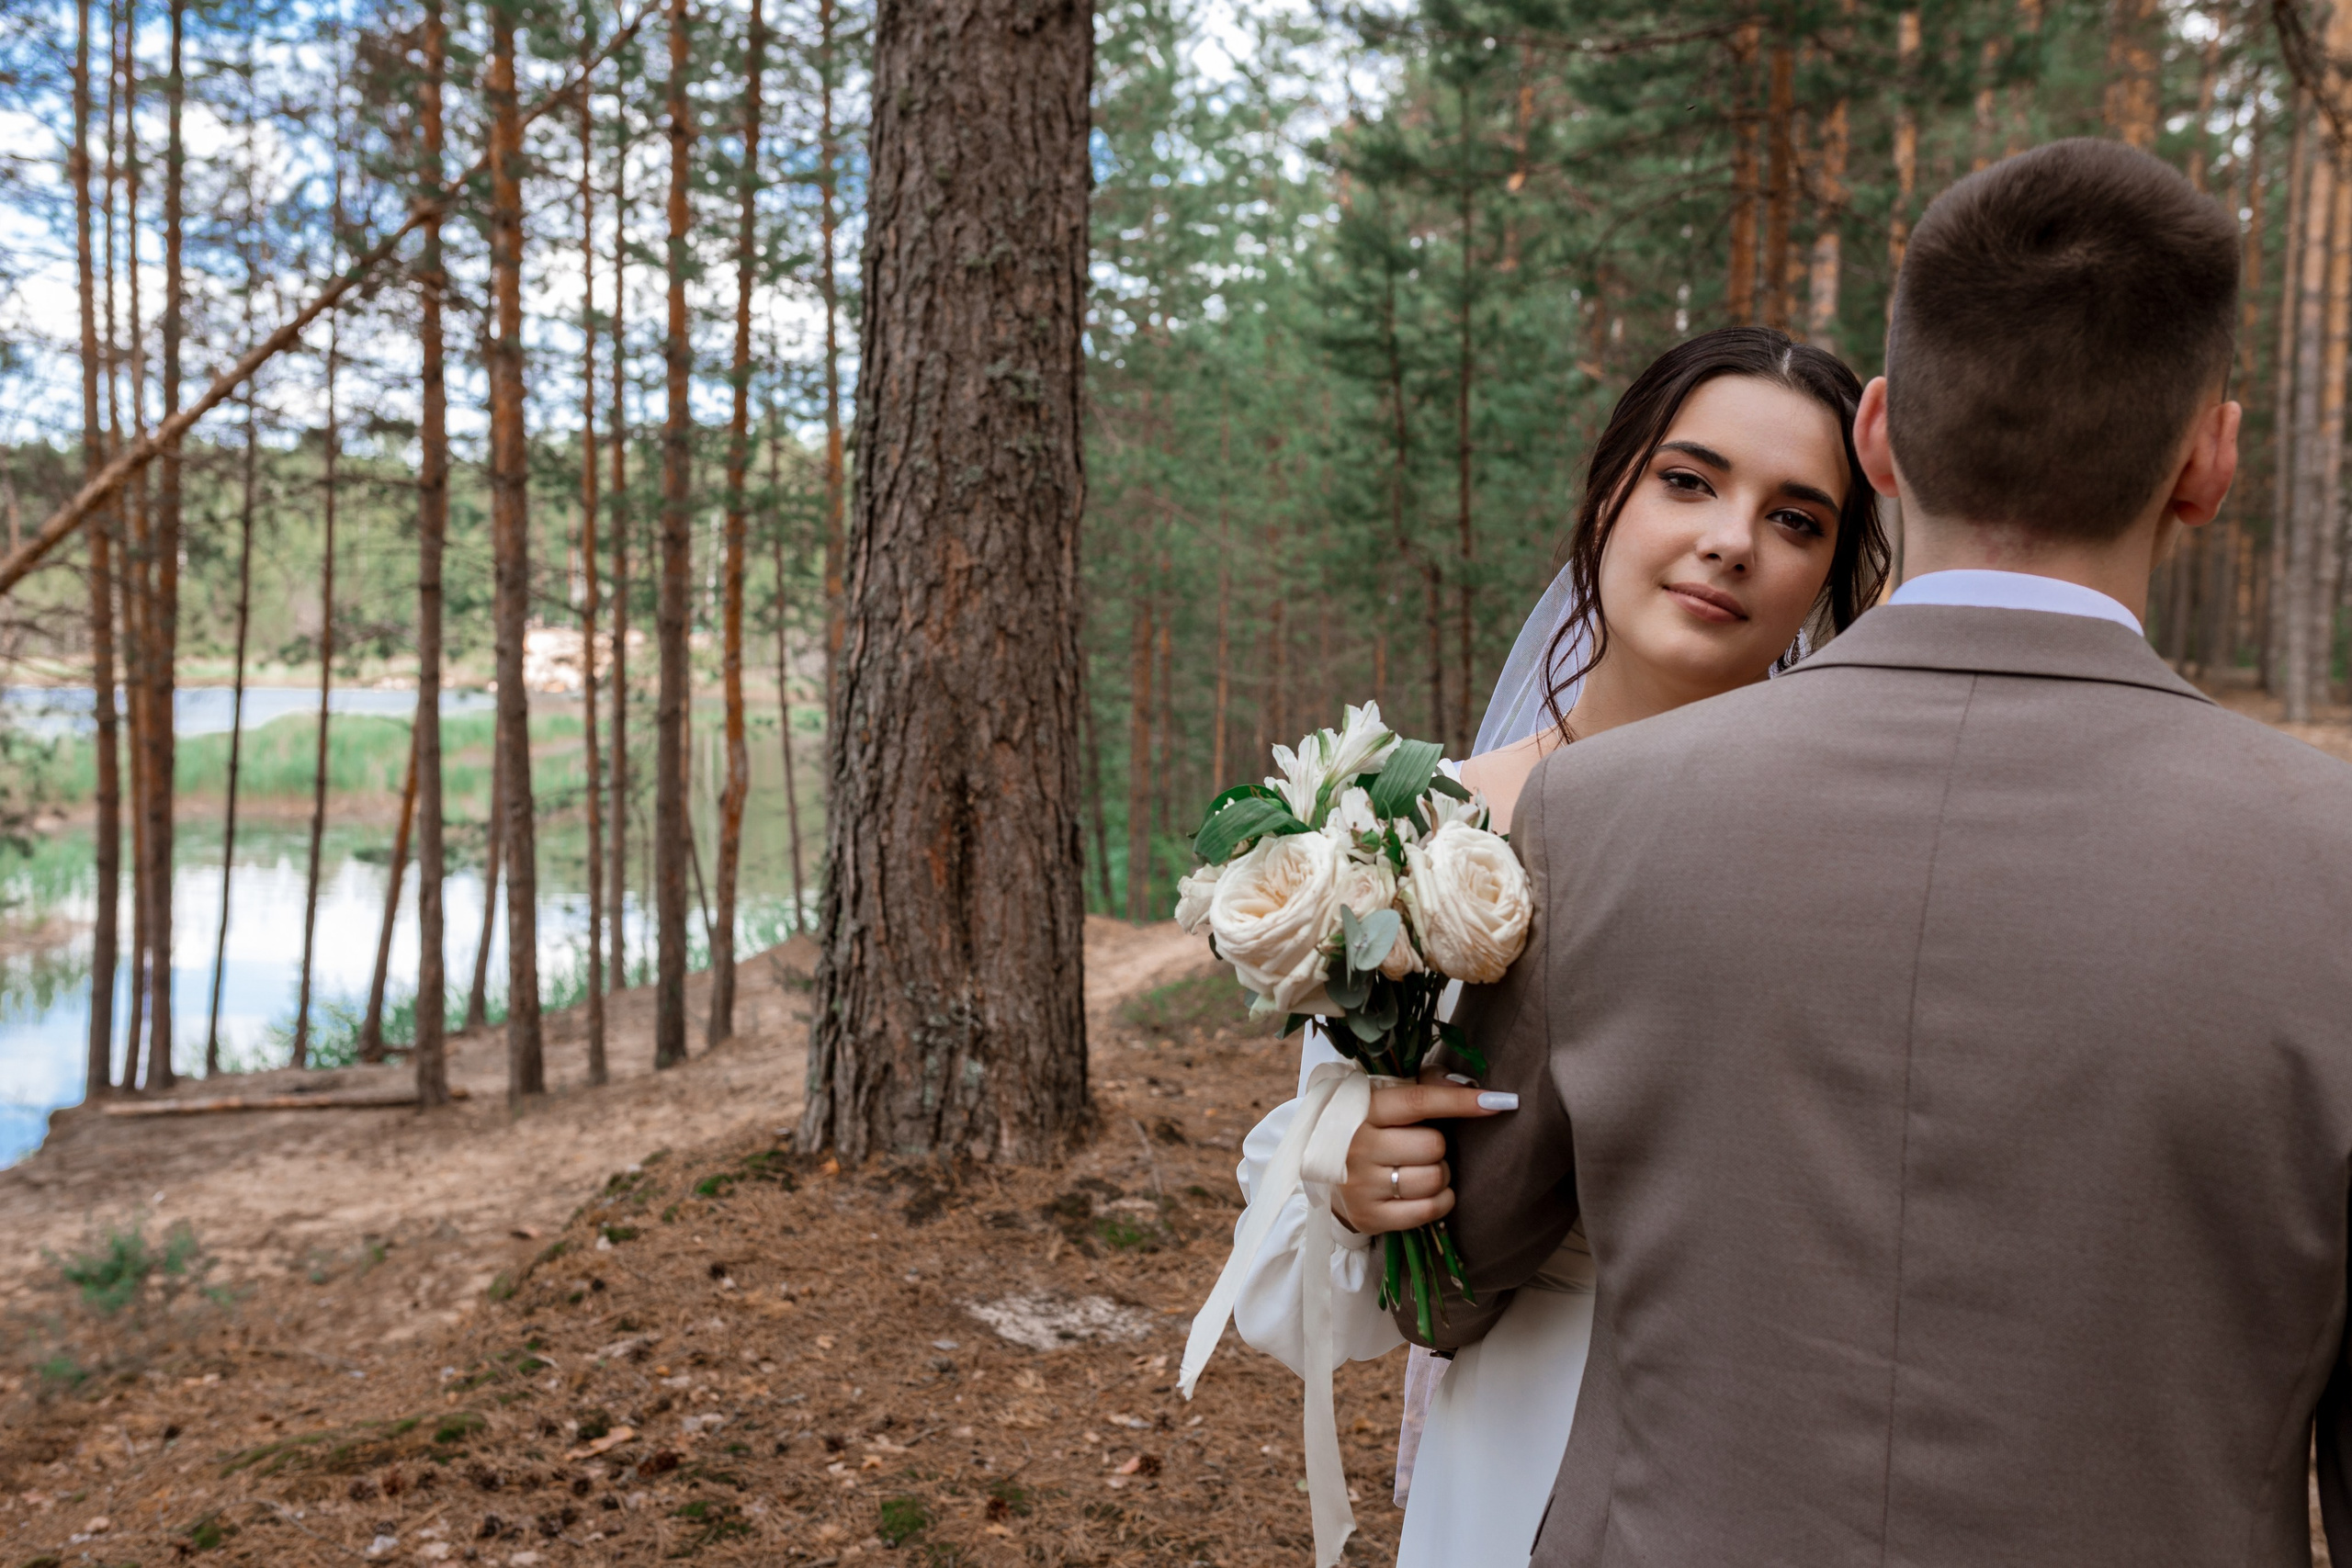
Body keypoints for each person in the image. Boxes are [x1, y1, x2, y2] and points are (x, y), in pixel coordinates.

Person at [1390, 137, 2352, 1567]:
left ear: (1883, 435)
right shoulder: (2333, 872)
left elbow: (1449, 1284)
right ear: (2208, 464)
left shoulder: (1595, 814)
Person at [1227, 324, 1891, 1568]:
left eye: (1797, 520)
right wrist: (1351, 1173)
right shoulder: (1417, 830)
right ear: (1607, 496)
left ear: (1828, 580)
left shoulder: (1870, 852)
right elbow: (1309, 1276)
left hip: (1783, 1435)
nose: (1732, 540)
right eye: (1688, 481)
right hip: (1514, 1434)